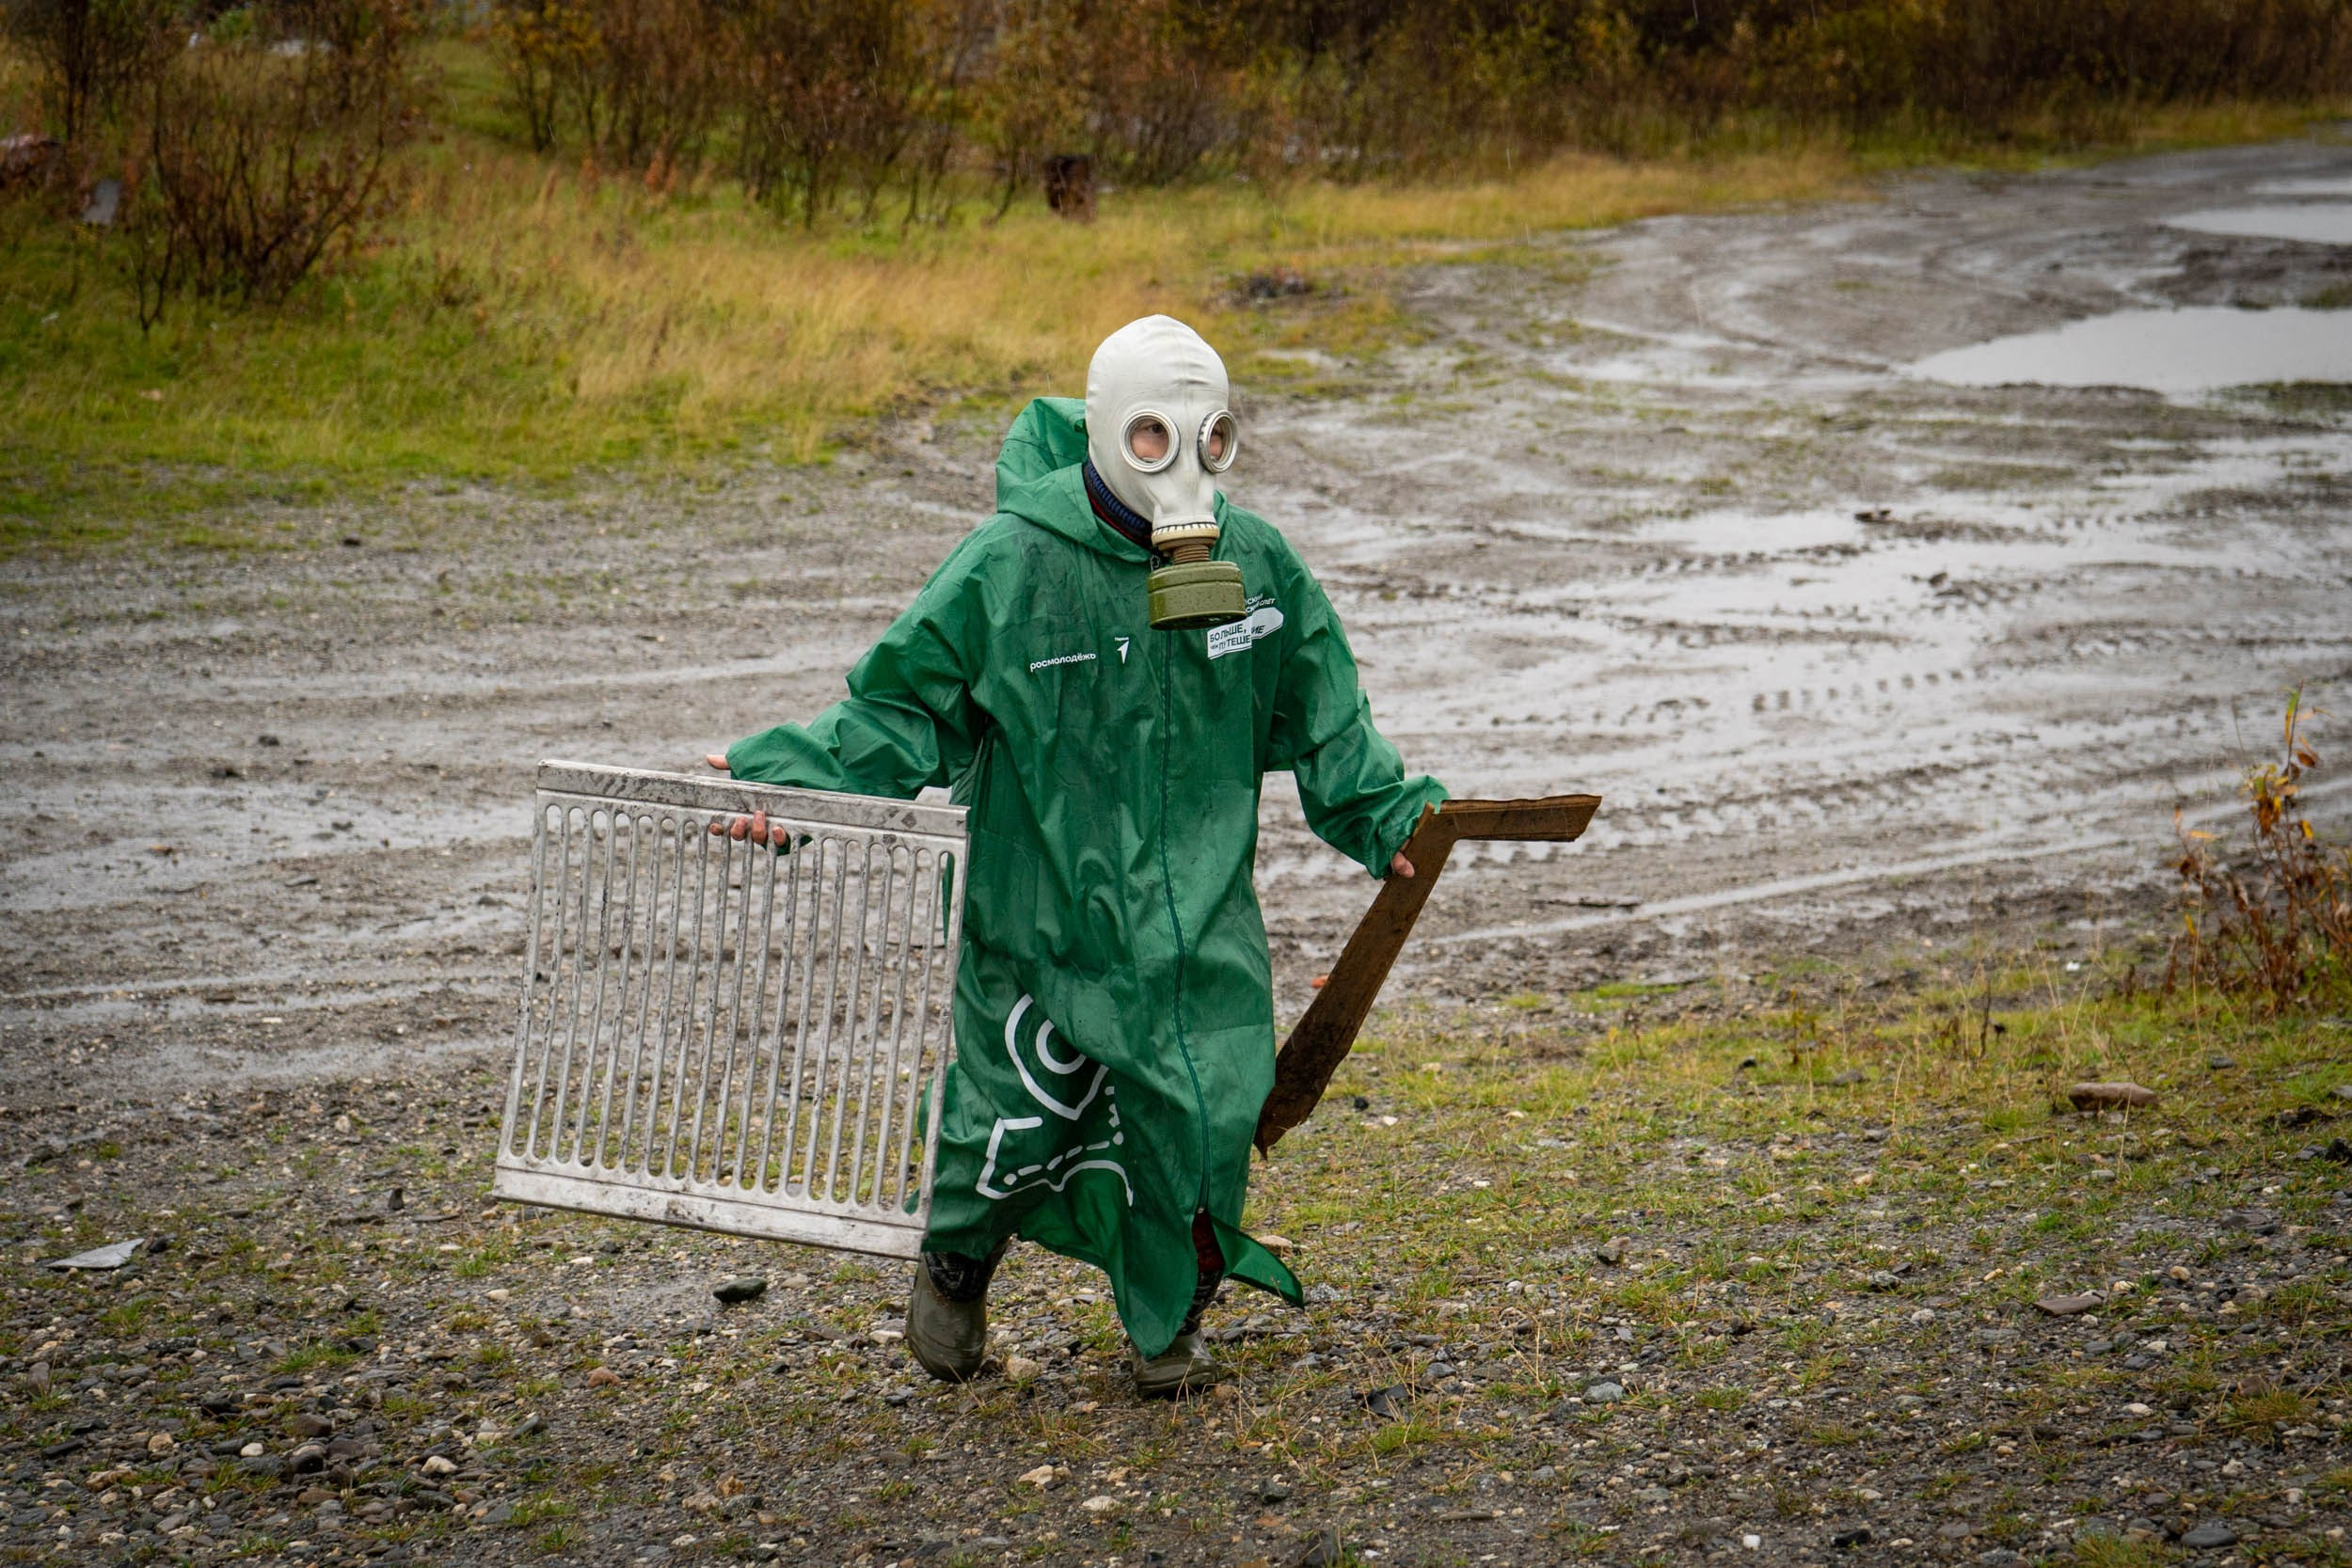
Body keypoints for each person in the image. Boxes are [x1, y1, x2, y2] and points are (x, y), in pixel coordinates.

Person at [706, 315, 1446, 1397]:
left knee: (1203, 1117)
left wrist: (1392, 818)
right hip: (1041, 909)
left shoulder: (1254, 562)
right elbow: (899, 704)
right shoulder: (1011, 564)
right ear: (1103, 432)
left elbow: (1329, 717)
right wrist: (793, 782)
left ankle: (1171, 1317)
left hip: (1197, 918)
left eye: (1208, 438)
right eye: (1150, 438)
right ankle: (957, 1258)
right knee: (1006, 1120)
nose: (1181, 465)